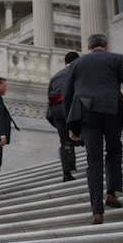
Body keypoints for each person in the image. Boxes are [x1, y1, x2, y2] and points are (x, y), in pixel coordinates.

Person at [63, 34, 123, 225]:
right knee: (114, 149)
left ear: (89, 47)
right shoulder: (117, 59)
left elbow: (67, 95)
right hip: (112, 111)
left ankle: (97, 211)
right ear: (106, 46)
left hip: (87, 113)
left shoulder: (77, 64)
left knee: (93, 159)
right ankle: (111, 193)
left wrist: (72, 127)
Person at [46, 51, 81, 181]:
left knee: (65, 140)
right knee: (85, 134)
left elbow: (49, 94)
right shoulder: (77, 71)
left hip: (55, 109)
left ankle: (67, 172)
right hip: (69, 105)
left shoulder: (55, 76)